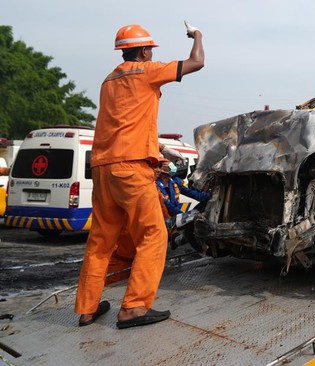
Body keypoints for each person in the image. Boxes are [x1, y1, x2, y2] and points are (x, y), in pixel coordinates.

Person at [75, 22, 204, 329]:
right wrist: (197, 35)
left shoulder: (109, 81)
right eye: (150, 50)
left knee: (101, 242)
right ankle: (133, 307)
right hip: (131, 171)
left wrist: (159, 150)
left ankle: (86, 309)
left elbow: (124, 125)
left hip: (104, 168)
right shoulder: (146, 72)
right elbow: (197, 62)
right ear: (145, 50)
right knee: (154, 234)